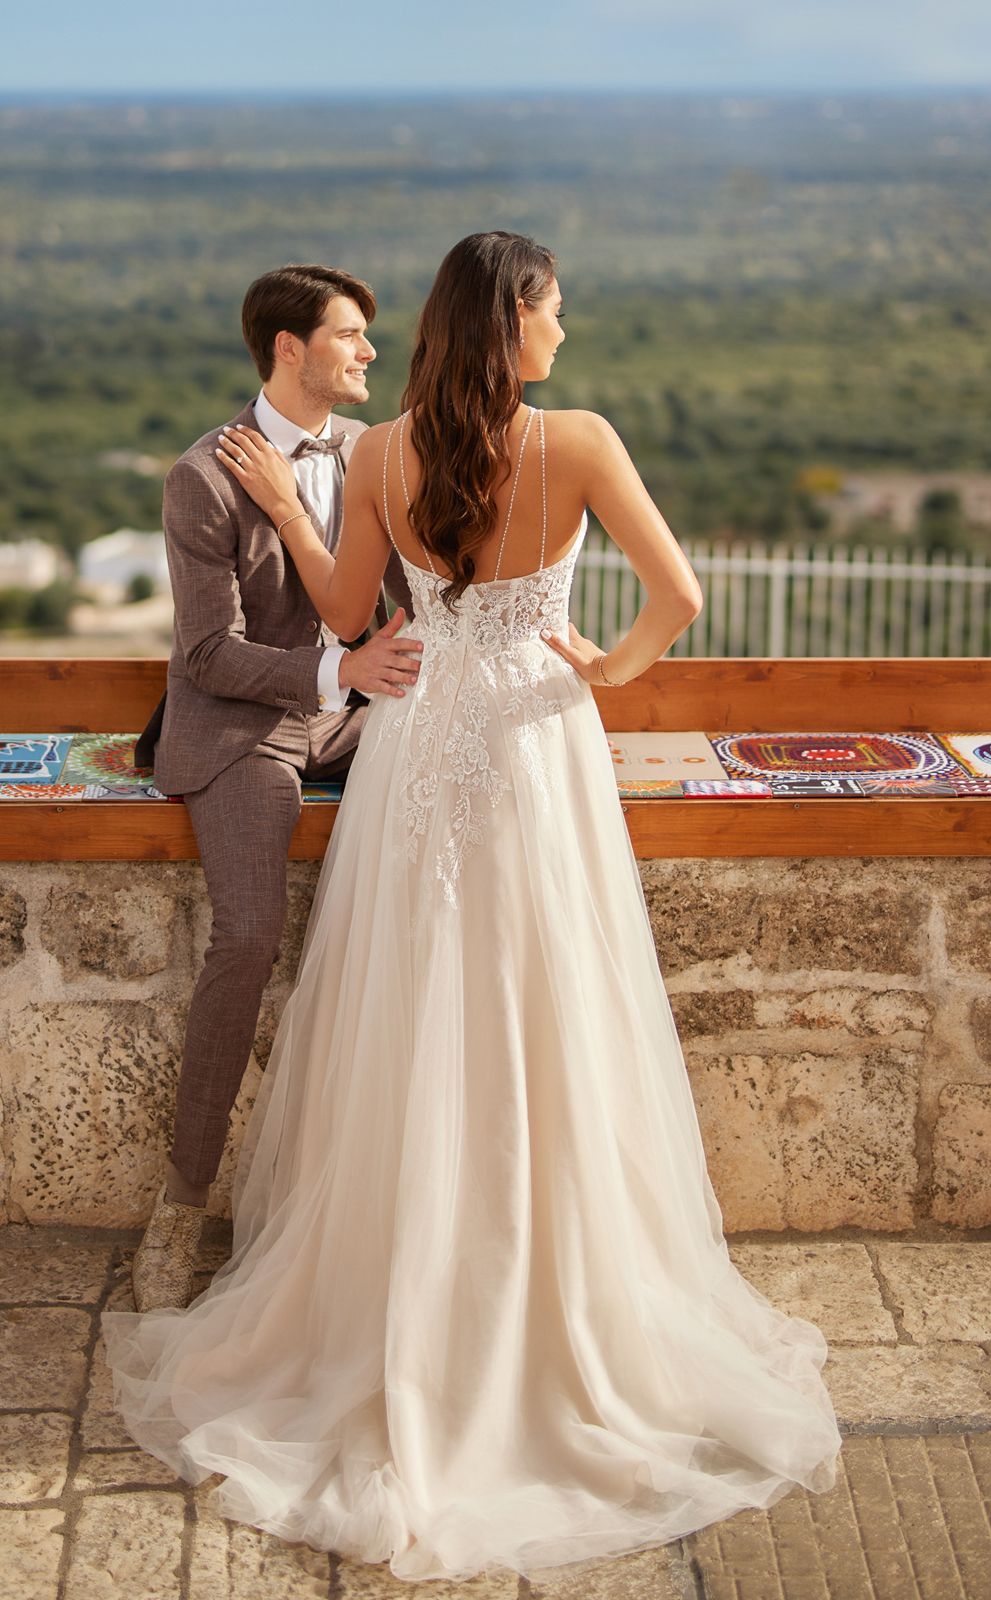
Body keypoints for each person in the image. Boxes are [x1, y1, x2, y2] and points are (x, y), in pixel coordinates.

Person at [104, 232, 841, 1581]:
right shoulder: (582, 441)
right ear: (514, 323)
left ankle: (390, 1307)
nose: (565, 326)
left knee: (410, 1000)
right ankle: (547, 1297)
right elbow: (679, 597)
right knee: (542, 1003)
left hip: (414, 740)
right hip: (533, 745)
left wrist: (286, 508)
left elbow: (340, 607)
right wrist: (603, 669)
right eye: (555, 308)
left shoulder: (381, 454)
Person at [129, 264, 419, 1312]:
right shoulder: (201, 476)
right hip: (251, 727)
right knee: (248, 935)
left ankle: (406, 1192)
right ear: (289, 349)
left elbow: (396, 602)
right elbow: (207, 653)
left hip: (356, 712)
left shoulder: (373, 456)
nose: (368, 354)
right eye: (350, 335)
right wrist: (340, 670)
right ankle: (181, 1201)